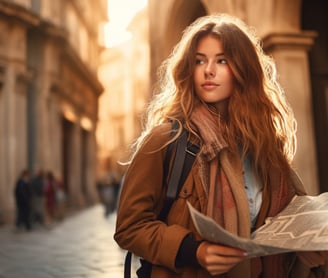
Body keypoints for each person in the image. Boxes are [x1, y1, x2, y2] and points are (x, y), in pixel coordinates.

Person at [114, 14, 328, 278]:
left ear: (243, 68)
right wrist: (193, 251)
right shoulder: (166, 140)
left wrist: (305, 250)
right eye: (199, 61)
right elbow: (129, 227)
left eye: (222, 60)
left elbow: (282, 229)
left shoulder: (266, 147)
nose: (208, 70)